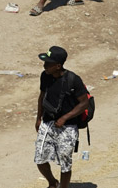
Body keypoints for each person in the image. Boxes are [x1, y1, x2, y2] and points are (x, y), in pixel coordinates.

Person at [35, 46, 89, 188]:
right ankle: (53, 183)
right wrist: (38, 118)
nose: (44, 65)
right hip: (47, 123)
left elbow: (84, 103)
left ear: (58, 66)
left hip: (68, 127)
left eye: (48, 63)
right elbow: (41, 97)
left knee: (65, 163)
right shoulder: (45, 76)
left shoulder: (73, 80)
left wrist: (65, 117)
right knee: (40, 159)